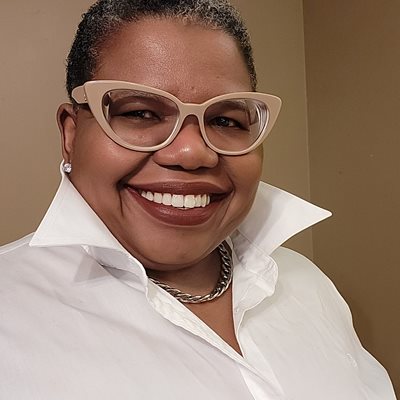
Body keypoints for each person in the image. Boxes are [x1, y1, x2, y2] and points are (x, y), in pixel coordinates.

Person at [0, 0, 396, 399]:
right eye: (140, 113)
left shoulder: (306, 284)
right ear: (71, 135)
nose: (192, 153)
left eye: (225, 120)